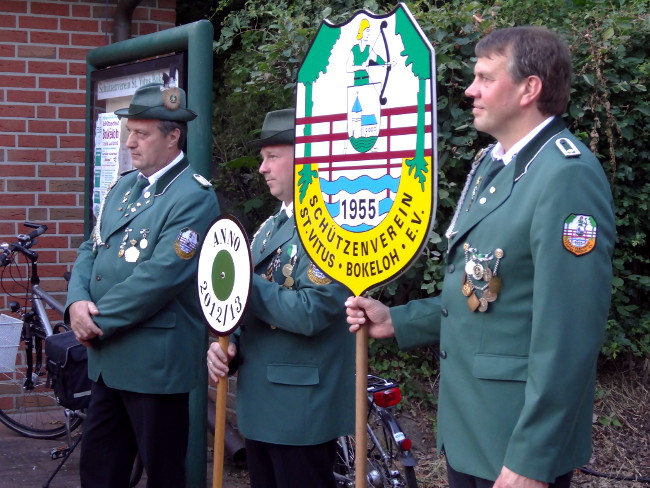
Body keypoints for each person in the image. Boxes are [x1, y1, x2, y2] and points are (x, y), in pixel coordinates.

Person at [346, 26, 616, 488]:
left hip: (514, 440)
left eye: (485, 78)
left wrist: (534, 457)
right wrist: (399, 320)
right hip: (471, 430)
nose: (470, 90)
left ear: (529, 89)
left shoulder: (565, 175)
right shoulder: (493, 164)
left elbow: (569, 335)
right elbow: (486, 292)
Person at [66, 82, 219, 487]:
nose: (130, 142)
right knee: (99, 471)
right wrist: (76, 302)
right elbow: (92, 246)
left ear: (173, 137)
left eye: (141, 133)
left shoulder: (193, 195)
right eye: (129, 131)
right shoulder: (123, 186)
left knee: (163, 473)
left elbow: (161, 276)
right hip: (108, 361)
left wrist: (95, 322)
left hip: (154, 363)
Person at [207, 108, 355, 488]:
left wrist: (240, 281)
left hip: (300, 412)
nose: (262, 168)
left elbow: (311, 312)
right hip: (261, 405)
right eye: (263, 158)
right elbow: (244, 308)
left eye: (272, 156)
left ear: (305, 159)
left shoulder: (333, 224)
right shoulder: (270, 227)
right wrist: (228, 344)